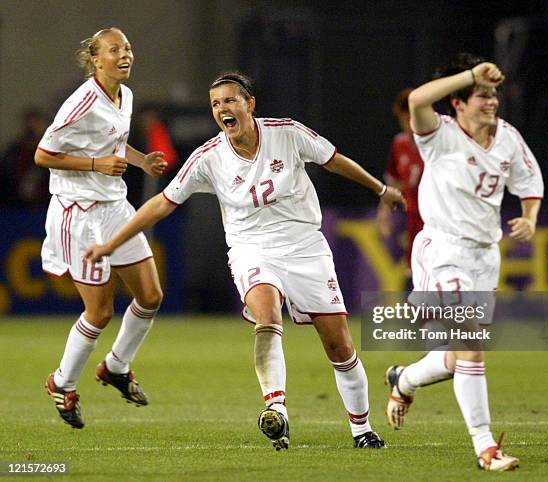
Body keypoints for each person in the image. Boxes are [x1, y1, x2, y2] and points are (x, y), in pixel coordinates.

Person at [85, 71, 405, 449]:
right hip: (251, 250)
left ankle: (362, 429)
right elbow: (161, 204)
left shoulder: (287, 133)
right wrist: (112, 243)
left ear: (249, 104)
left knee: (339, 346)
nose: (223, 108)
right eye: (216, 104)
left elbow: (334, 160)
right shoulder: (208, 157)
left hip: (305, 246)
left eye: (230, 100)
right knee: (266, 315)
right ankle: (277, 410)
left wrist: (380, 189)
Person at [383, 53, 543, 471]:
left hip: (484, 257)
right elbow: (418, 100)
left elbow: (529, 181)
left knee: (458, 358)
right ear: (458, 102)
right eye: (481, 96)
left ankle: (405, 379)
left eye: (493, 95)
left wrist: (528, 218)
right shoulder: (440, 135)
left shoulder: (508, 137)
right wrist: (469, 74)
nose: (491, 102)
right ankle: (485, 447)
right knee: (472, 344)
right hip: (443, 250)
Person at [34, 28, 168, 429]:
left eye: (127, 47)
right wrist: (95, 166)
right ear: (95, 59)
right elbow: (44, 154)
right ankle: (63, 383)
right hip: (80, 213)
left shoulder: (124, 95)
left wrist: (142, 162)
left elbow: (111, 143)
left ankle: (116, 367)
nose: (125, 54)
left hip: (113, 205)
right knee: (100, 311)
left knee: (150, 295)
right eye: (114, 50)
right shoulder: (80, 102)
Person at [376, 88, 424, 276]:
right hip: (413, 221)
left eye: (411, 118)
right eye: (404, 120)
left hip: (439, 223)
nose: (408, 125)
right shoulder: (400, 144)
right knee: (416, 277)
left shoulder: (436, 144)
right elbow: (394, 184)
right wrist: (383, 213)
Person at [0, 107, 50, 206]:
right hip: (15, 207)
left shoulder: (53, 152)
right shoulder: (13, 152)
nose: (32, 129)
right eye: (29, 126)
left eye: (36, 125)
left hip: (44, 206)